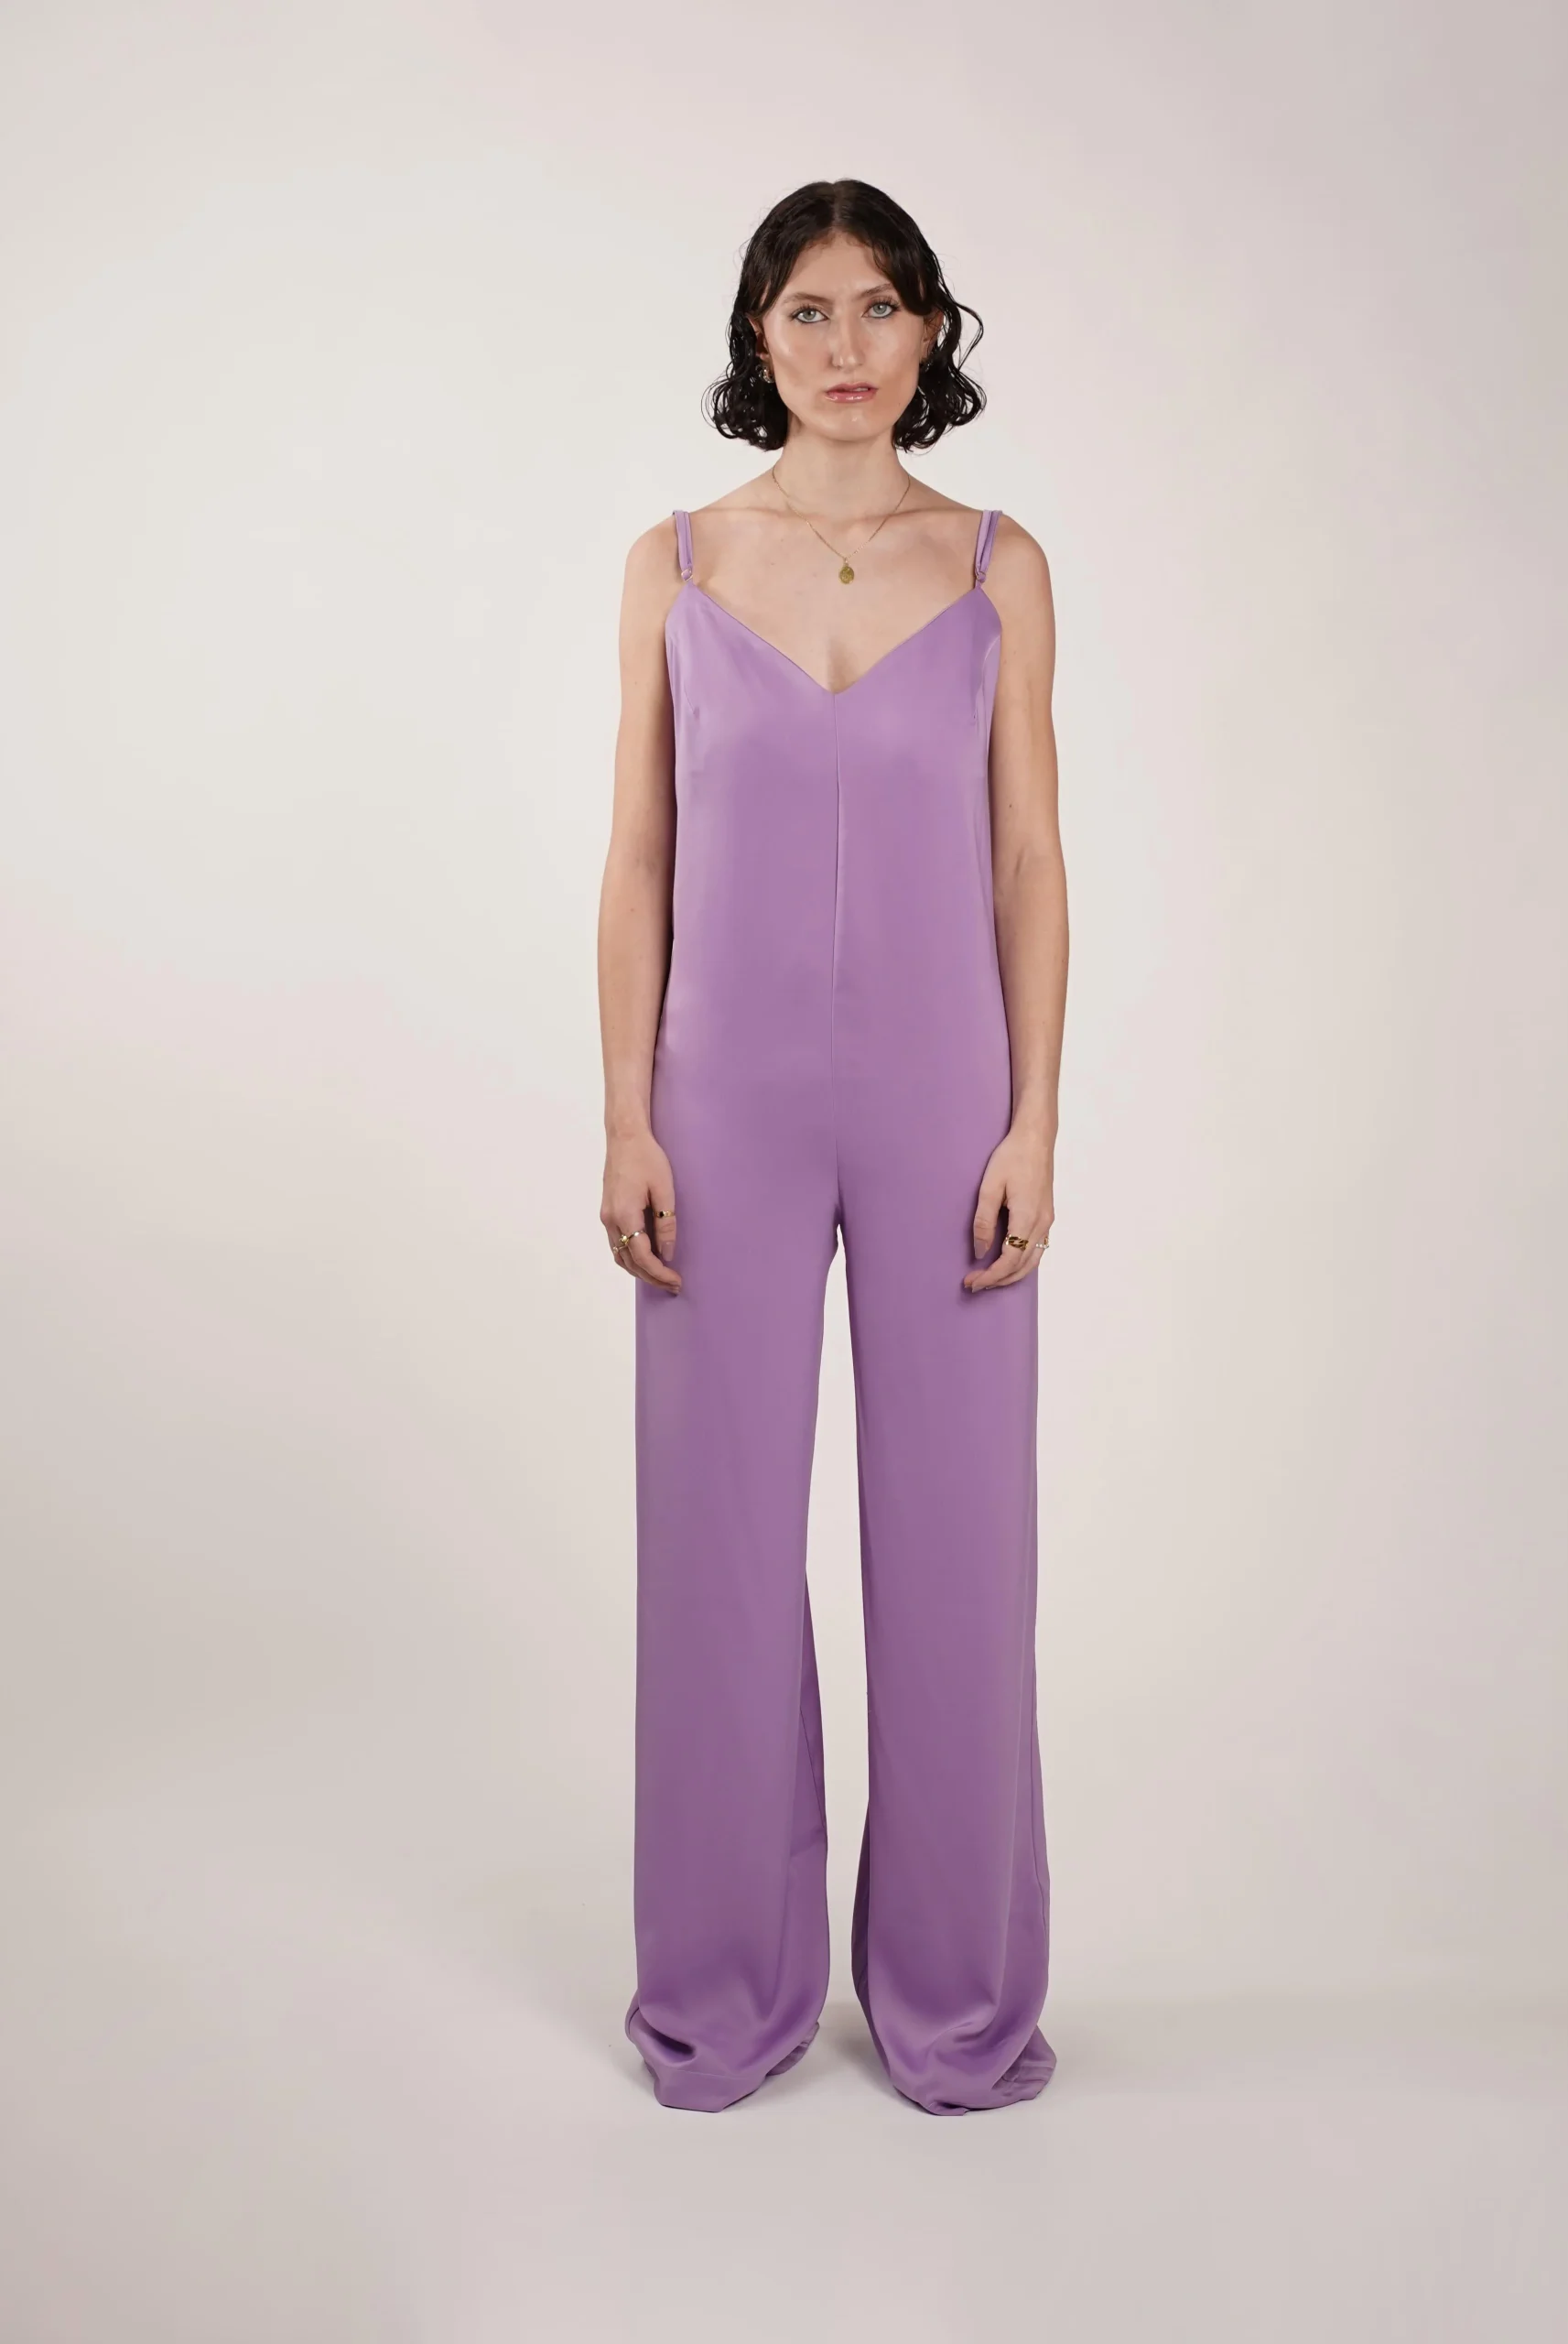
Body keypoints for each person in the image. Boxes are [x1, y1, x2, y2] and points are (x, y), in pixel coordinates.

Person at [596, 178, 1069, 2115]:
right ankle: (720, 1990)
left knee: (959, 1550)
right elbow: (639, 857)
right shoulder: (679, 562)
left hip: (948, 1101)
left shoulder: (998, 564)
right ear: (757, 335)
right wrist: (624, 1111)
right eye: (809, 309)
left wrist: (1036, 1116)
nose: (847, 345)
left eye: (881, 307)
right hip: (720, 1103)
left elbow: (1027, 857)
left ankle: (957, 1999)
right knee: (712, 1544)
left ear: (930, 333)